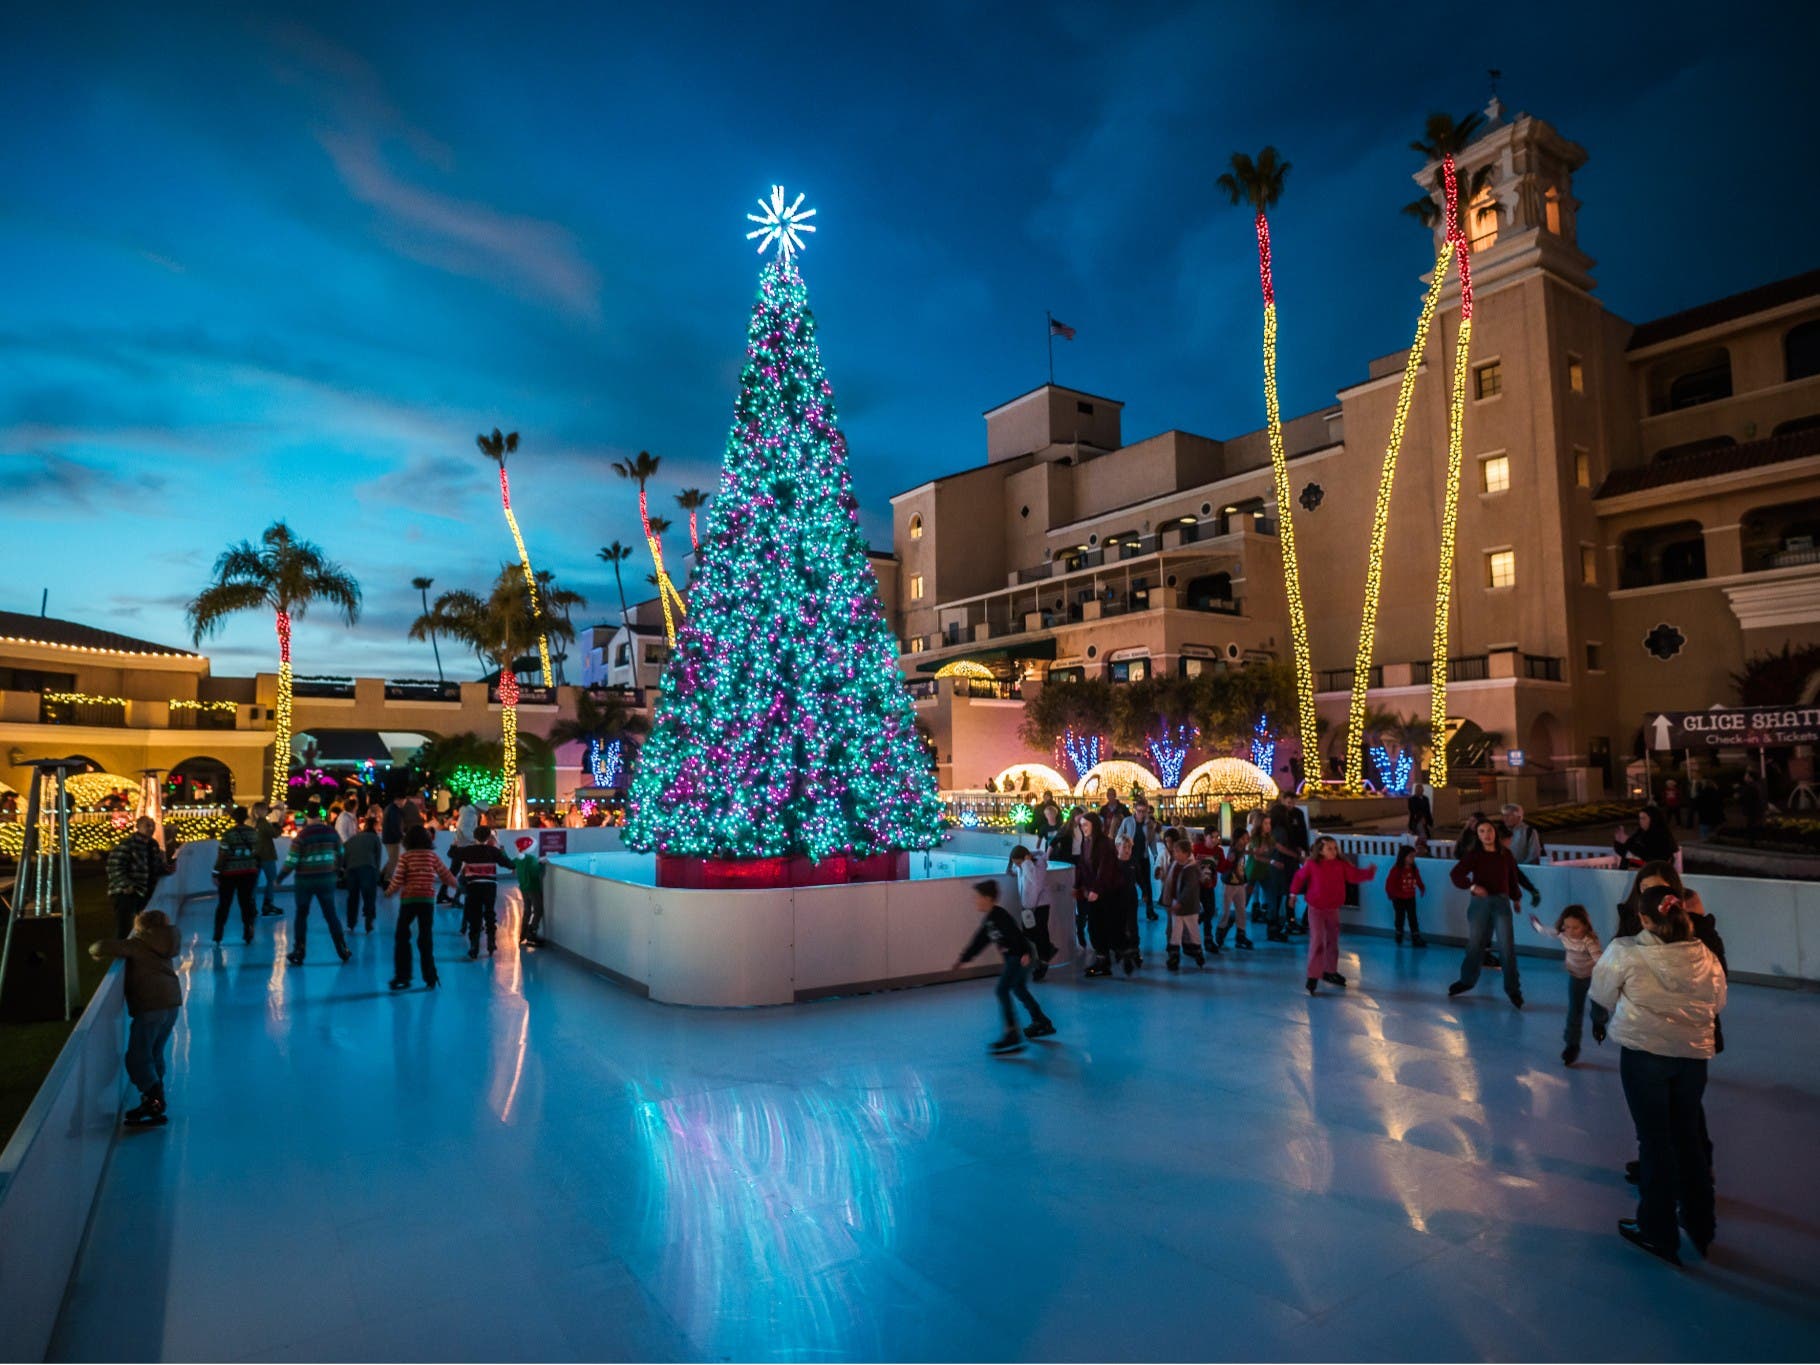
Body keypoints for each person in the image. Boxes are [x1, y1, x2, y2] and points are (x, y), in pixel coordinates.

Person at [1591, 885, 1726, 1265]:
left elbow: (1601, 994)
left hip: (1644, 1055)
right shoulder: (1703, 954)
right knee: (1687, 1137)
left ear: (1645, 920)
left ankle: (1657, 1229)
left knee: (1655, 1142)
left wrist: (1599, 1023)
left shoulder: (1626, 951)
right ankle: (1701, 1226)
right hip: (1692, 1058)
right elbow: (1718, 1001)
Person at [89, 909, 182, 1127]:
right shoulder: (168, 942)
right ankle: (154, 1099)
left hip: (150, 1006)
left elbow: (100, 947)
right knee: (155, 1052)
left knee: (137, 1057)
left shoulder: (138, 944)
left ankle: (154, 1099)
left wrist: (93, 951)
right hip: (172, 1003)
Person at [952, 879, 1055, 1053]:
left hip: (1020, 955)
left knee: (1002, 990)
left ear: (988, 898)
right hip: (1014, 956)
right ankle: (1041, 1021)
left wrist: (1025, 953)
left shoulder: (1000, 916)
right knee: (1018, 989)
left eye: (978, 898)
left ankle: (1012, 1033)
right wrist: (964, 959)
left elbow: (1016, 935)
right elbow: (979, 942)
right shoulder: (989, 921)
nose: (975, 901)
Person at [1447, 817, 1539, 1008]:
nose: (1486, 835)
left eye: (1489, 830)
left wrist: (1516, 898)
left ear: (1495, 833)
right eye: (1481, 831)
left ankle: (1513, 989)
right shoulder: (1475, 855)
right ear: (1478, 835)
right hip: (1480, 904)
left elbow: (1512, 876)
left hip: (1501, 903)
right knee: (1476, 944)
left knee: (1507, 947)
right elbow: (1456, 874)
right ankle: (1467, 980)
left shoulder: (1505, 854)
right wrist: (1472, 887)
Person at [1290, 836, 1374, 994]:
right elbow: (1299, 877)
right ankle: (1313, 975)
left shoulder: (1340, 865)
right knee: (1317, 940)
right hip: (1316, 908)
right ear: (1320, 851)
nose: (1334, 851)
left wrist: (1368, 873)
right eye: (1329, 848)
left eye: (1335, 848)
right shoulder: (1312, 865)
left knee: (1332, 941)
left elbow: (1353, 875)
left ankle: (1330, 971)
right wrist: (1293, 894)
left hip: (1332, 909)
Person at [1529, 903, 1607, 1066]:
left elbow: (1600, 960)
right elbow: (1547, 931)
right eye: (1567, 927)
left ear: (1585, 926)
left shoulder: (1589, 941)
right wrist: (1536, 925)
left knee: (1599, 1006)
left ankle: (1599, 1023)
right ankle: (1572, 1046)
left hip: (1594, 978)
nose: (1571, 931)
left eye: (1576, 927)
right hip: (1576, 978)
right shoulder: (1564, 934)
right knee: (1574, 1011)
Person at [277, 805, 350, 967]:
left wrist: (280, 878)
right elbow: (341, 854)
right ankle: (342, 948)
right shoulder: (332, 833)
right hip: (327, 880)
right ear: (321, 816)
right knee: (331, 914)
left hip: (305, 881)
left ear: (307, 817)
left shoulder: (302, 835)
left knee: (301, 915)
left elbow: (292, 860)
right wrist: (336, 871)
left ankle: (299, 951)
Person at [386, 825, 457, 990]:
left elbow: (397, 880)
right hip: (426, 901)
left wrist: (388, 892)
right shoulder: (432, 856)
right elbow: (446, 875)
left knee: (402, 937)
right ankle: (430, 976)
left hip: (409, 901)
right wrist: (457, 886)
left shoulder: (406, 857)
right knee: (425, 939)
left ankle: (403, 976)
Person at [450, 825, 514, 959]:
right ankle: (491, 941)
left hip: (473, 886)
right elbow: (509, 864)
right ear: (488, 837)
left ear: (474, 836)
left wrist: (454, 844)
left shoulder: (467, 850)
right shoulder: (493, 851)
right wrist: (501, 851)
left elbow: (451, 854)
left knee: (475, 915)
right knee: (490, 913)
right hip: (490, 886)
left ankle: (474, 946)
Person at [105, 815, 166, 938]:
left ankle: (138, 950)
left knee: (144, 924)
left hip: (145, 890)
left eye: (152, 826)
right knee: (126, 926)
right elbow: (114, 866)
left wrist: (165, 869)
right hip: (128, 892)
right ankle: (123, 952)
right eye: (147, 825)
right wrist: (127, 884)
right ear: (137, 827)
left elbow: (155, 866)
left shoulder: (152, 845)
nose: (150, 828)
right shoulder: (128, 844)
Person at [1007, 843, 1058, 981]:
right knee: (1029, 934)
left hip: (1041, 905)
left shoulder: (1037, 865)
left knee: (1040, 934)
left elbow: (1036, 882)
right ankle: (1048, 950)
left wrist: (1027, 863)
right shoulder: (1022, 866)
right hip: (1028, 906)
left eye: (1019, 863)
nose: (1018, 866)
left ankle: (1043, 962)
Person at [211, 805, 261, 945]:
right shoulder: (253, 833)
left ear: (233, 818)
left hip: (229, 874)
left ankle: (218, 932)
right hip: (249, 872)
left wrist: (216, 872)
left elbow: (222, 855)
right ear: (246, 817)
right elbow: (258, 852)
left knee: (224, 903)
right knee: (246, 902)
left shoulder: (228, 834)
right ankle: (248, 929)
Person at [1266, 793, 1309, 942]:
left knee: (1285, 891)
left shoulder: (1285, 826)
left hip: (1284, 863)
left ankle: (1282, 924)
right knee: (1278, 893)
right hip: (1281, 863)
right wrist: (1297, 856)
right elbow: (1279, 846)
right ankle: (1275, 926)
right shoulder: (1279, 829)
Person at [1160, 838, 1207, 971]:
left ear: (1187, 853)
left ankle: (1198, 951)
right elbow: (1170, 882)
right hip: (1177, 903)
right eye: (1174, 851)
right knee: (1176, 930)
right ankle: (1174, 954)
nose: (1175, 854)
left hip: (1189, 906)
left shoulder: (1191, 869)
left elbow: (1189, 888)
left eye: (1178, 851)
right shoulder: (1175, 865)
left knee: (1193, 930)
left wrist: (1180, 903)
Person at [1117, 797, 1165, 921]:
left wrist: (1155, 855)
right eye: (1139, 811)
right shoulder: (1127, 821)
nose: (1141, 814)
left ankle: (1150, 910)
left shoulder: (1149, 825)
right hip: (1129, 857)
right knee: (1128, 883)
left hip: (1143, 857)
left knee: (1146, 885)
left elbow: (1152, 841)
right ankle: (1125, 910)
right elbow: (1119, 836)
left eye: (1144, 811)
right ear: (1135, 810)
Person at [1209, 830, 1254, 951]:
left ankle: (1240, 934)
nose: (1246, 841)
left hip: (1238, 884)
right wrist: (1243, 879)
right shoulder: (1234, 851)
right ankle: (1220, 933)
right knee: (1226, 911)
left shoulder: (1240, 850)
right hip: (1230, 884)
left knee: (1241, 910)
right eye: (1244, 838)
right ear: (1238, 839)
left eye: (1247, 838)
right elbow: (1232, 867)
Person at [342, 814, 384, 933]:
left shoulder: (354, 838)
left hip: (352, 869)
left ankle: (351, 924)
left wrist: (345, 869)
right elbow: (377, 859)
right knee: (369, 896)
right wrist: (377, 875)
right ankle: (368, 921)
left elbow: (343, 851)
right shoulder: (375, 839)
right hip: (368, 868)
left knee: (352, 897)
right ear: (375, 826)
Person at [1385, 844, 1427, 947]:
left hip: (1410, 897)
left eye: (1413, 856)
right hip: (1398, 898)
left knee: (1413, 917)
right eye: (1410, 856)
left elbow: (1418, 879)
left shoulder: (1413, 869)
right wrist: (1391, 894)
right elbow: (1389, 883)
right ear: (1403, 857)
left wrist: (1421, 887)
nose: (1413, 859)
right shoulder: (1397, 869)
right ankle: (1399, 933)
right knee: (1400, 917)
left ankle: (1415, 937)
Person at [512, 836, 547, 946]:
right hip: (533, 888)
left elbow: (511, 864)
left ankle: (522, 933)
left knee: (527, 910)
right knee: (538, 910)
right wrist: (541, 865)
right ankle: (532, 932)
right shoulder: (531, 859)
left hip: (523, 888)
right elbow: (535, 872)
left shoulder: (517, 859)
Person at [252, 802, 285, 915]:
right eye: (265, 810)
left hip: (256, 856)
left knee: (254, 882)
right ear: (261, 811)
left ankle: (251, 906)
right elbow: (274, 834)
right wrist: (279, 823)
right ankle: (267, 904)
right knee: (271, 880)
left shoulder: (253, 823)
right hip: (266, 856)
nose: (267, 812)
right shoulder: (263, 823)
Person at [381, 792, 409, 884]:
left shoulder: (391, 808)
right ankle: (387, 879)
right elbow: (395, 826)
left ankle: (381, 876)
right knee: (394, 859)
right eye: (405, 801)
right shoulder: (394, 810)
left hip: (389, 837)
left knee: (392, 858)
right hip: (392, 838)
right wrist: (401, 836)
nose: (405, 803)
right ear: (400, 800)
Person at [1407, 773, 1435, 839]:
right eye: (1418, 790)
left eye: (1421, 789)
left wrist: (1430, 821)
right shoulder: (1412, 799)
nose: (1420, 791)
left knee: (1427, 834)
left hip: (1425, 819)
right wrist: (1421, 817)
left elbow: (1427, 810)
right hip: (1417, 820)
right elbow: (1413, 810)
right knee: (1421, 834)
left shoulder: (1425, 798)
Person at [1738, 771, 1766, 837]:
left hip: (1752, 811)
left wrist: (1739, 797)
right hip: (1756, 810)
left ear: (1751, 778)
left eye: (1746, 776)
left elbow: (1747, 799)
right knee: (1755, 826)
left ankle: (1752, 840)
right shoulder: (1756, 785)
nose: (1744, 777)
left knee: (1752, 827)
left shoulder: (1751, 787)